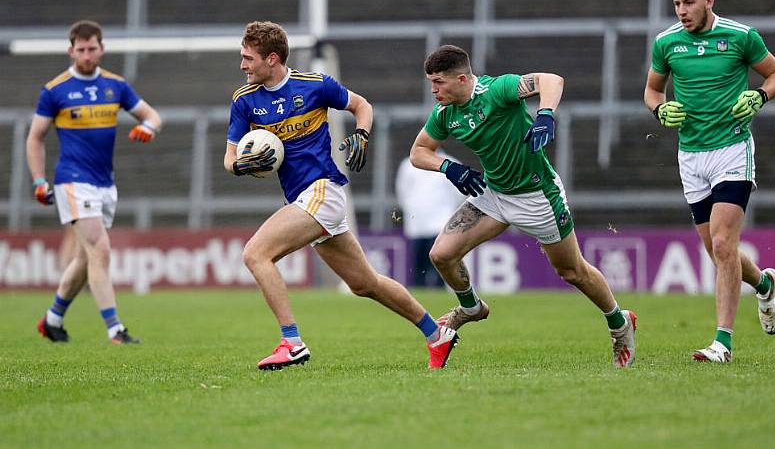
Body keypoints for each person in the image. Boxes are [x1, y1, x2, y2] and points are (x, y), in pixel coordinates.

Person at [223, 21, 459, 370]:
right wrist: (245, 165)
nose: (242, 65)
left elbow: (362, 105)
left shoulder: (315, 86)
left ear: (271, 59)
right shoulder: (244, 100)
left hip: (323, 191)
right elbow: (229, 161)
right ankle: (436, 333)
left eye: (248, 58)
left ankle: (292, 343)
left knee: (256, 254)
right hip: (302, 200)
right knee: (366, 284)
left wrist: (362, 135)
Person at [410, 44, 637, 368]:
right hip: (493, 194)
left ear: (461, 79)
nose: (433, 90)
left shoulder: (497, 90)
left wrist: (545, 115)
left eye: (438, 82)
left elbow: (551, 80)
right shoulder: (445, 113)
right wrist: (449, 168)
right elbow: (419, 152)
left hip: (536, 196)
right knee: (441, 255)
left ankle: (620, 322)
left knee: (572, 271)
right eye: (430, 82)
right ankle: (472, 308)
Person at [644, 0, 775, 363]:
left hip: (732, 150)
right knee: (717, 251)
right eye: (676, 4)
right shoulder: (667, 42)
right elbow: (652, 89)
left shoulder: (741, 36)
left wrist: (758, 97)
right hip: (690, 155)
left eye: (689, 3)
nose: (682, 11)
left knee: (724, 244)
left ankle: (722, 342)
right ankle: (763, 283)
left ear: (709, 1)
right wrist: (660, 110)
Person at [28, 19, 162, 344]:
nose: (87, 55)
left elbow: (153, 115)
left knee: (85, 256)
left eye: (92, 48)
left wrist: (149, 128)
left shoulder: (115, 86)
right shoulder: (55, 90)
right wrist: (39, 180)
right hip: (72, 180)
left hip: (105, 183)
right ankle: (116, 329)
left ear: (102, 49)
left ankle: (52, 319)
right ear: (71, 50)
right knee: (100, 249)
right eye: (81, 49)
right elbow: (35, 138)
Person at [395, 147, 463, 287]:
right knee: (419, 265)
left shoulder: (451, 164)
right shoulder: (408, 165)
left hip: (441, 223)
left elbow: (460, 194)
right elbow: (402, 191)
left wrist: (449, 212)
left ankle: (440, 290)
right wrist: (412, 209)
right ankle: (419, 293)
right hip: (417, 224)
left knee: (441, 262)